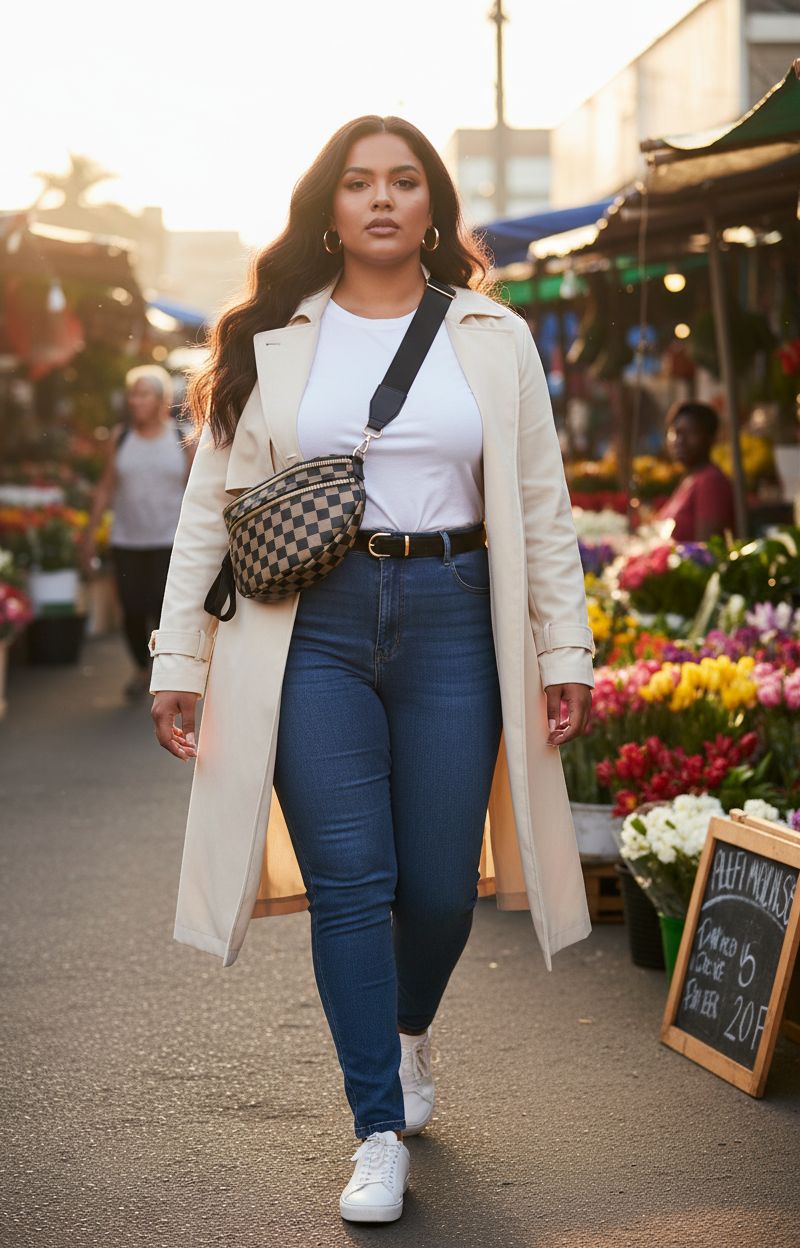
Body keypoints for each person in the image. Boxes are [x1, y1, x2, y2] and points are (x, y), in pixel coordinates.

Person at [148, 116, 595, 1224]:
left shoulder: (491, 335)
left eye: (403, 181)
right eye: (359, 184)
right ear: (330, 207)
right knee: (353, 884)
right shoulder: (272, 338)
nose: (382, 200)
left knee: (441, 888)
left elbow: (539, 505)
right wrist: (179, 658)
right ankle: (374, 1126)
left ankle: (403, 1030)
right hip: (310, 627)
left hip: (453, 615)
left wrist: (562, 649)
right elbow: (211, 510)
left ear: (431, 204)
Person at [81, 365, 195, 701]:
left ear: (161, 400)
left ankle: (162, 673)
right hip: (127, 538)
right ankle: (141, 667)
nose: (136, 401)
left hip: (170, 539)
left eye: (143, 394)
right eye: (133, 394)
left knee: (162, 609)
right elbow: (105, 487)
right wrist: (88, 534)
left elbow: (195, 491)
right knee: (131, 609)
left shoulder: (182, 436)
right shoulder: (120, 438)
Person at [655, 400, 736, 541]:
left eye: (691, 432)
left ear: (711, 438)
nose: (680, 440)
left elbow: (705, 549)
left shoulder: (711, 481)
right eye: (675, 432)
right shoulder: (690, 478)